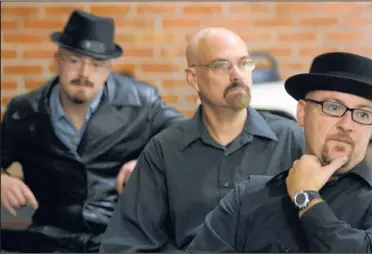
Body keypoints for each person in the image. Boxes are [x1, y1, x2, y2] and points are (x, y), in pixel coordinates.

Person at [99, 27, 305, 252]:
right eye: (222, 65)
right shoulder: (164, 151)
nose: (237, 75)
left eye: (244, 63)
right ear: (193, 78)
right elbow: (127, 244)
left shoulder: (291, 140)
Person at [0, 10, 185, 253]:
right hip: (50, 239)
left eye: (96, 64)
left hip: (122, 238)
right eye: (74, 61)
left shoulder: (141, 102)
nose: (84, 74)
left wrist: (150, 161)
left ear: (108, 68)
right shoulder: (24, 111)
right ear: (57, 60)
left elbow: (188, 135)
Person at [186, 52, 372, 253]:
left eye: (363, 114)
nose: (347, 125)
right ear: (302, 113)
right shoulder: (248, 198)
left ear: (371, 127)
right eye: (333, 107)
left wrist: (306, 197)